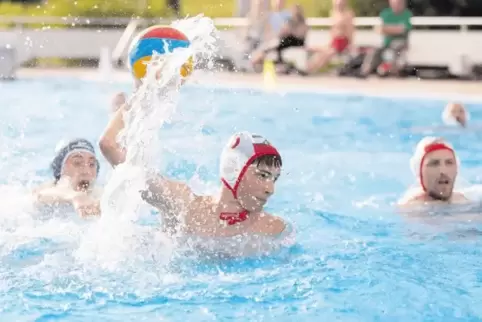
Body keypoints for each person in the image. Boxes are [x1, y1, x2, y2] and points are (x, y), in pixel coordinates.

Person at [99, 101, 293, 256]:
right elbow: (110, 146)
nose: (270, 189)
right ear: (235, 171)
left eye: (274, 179)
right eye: (262, 175)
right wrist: (142, 95)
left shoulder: (275, 229)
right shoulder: (183, 205)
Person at [33, 138, 102, 217]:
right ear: (60, 170)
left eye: (92, 164)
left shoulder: (98, 194)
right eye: (77, 163)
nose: (86, 171)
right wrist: (75, 196)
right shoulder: (47, 191)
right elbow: (39, 196)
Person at [398, 137, 468, 207]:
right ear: (420, 173)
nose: (443, 171)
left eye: (449, 162)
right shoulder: (412, 210)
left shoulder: (466, 202)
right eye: (434, 164)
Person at [299, 0, 354, 75]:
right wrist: (330, 42)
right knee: (317, 50)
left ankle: (309, 70)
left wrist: (350, 44)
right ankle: (309, 68)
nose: (338, 5)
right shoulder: (333, 13)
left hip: (343, 42)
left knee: (326, 53)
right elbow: (333, 30)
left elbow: (350, 30)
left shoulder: (348, 14)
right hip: (334, 41)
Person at [359, 0, 412, 77]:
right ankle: (365, 71)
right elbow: (378, 29)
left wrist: (387, 29)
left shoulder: (407, 14)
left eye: (399, 3)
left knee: (394, 49)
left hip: (400, 43)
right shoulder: (386, 13)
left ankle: (390, 70)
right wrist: (394, 29)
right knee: (374, 51)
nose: (397, 5)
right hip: (386, 42)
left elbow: (403, 29)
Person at [250, 1, 308, 68]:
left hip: (287, 40)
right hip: (281, 39)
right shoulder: (272, 16)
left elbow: (292, 30)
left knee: (275, 45)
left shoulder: (291, 17)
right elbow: (276, 31)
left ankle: (259, 60)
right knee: (273, 45)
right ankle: (260, 60)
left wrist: (287, 32)